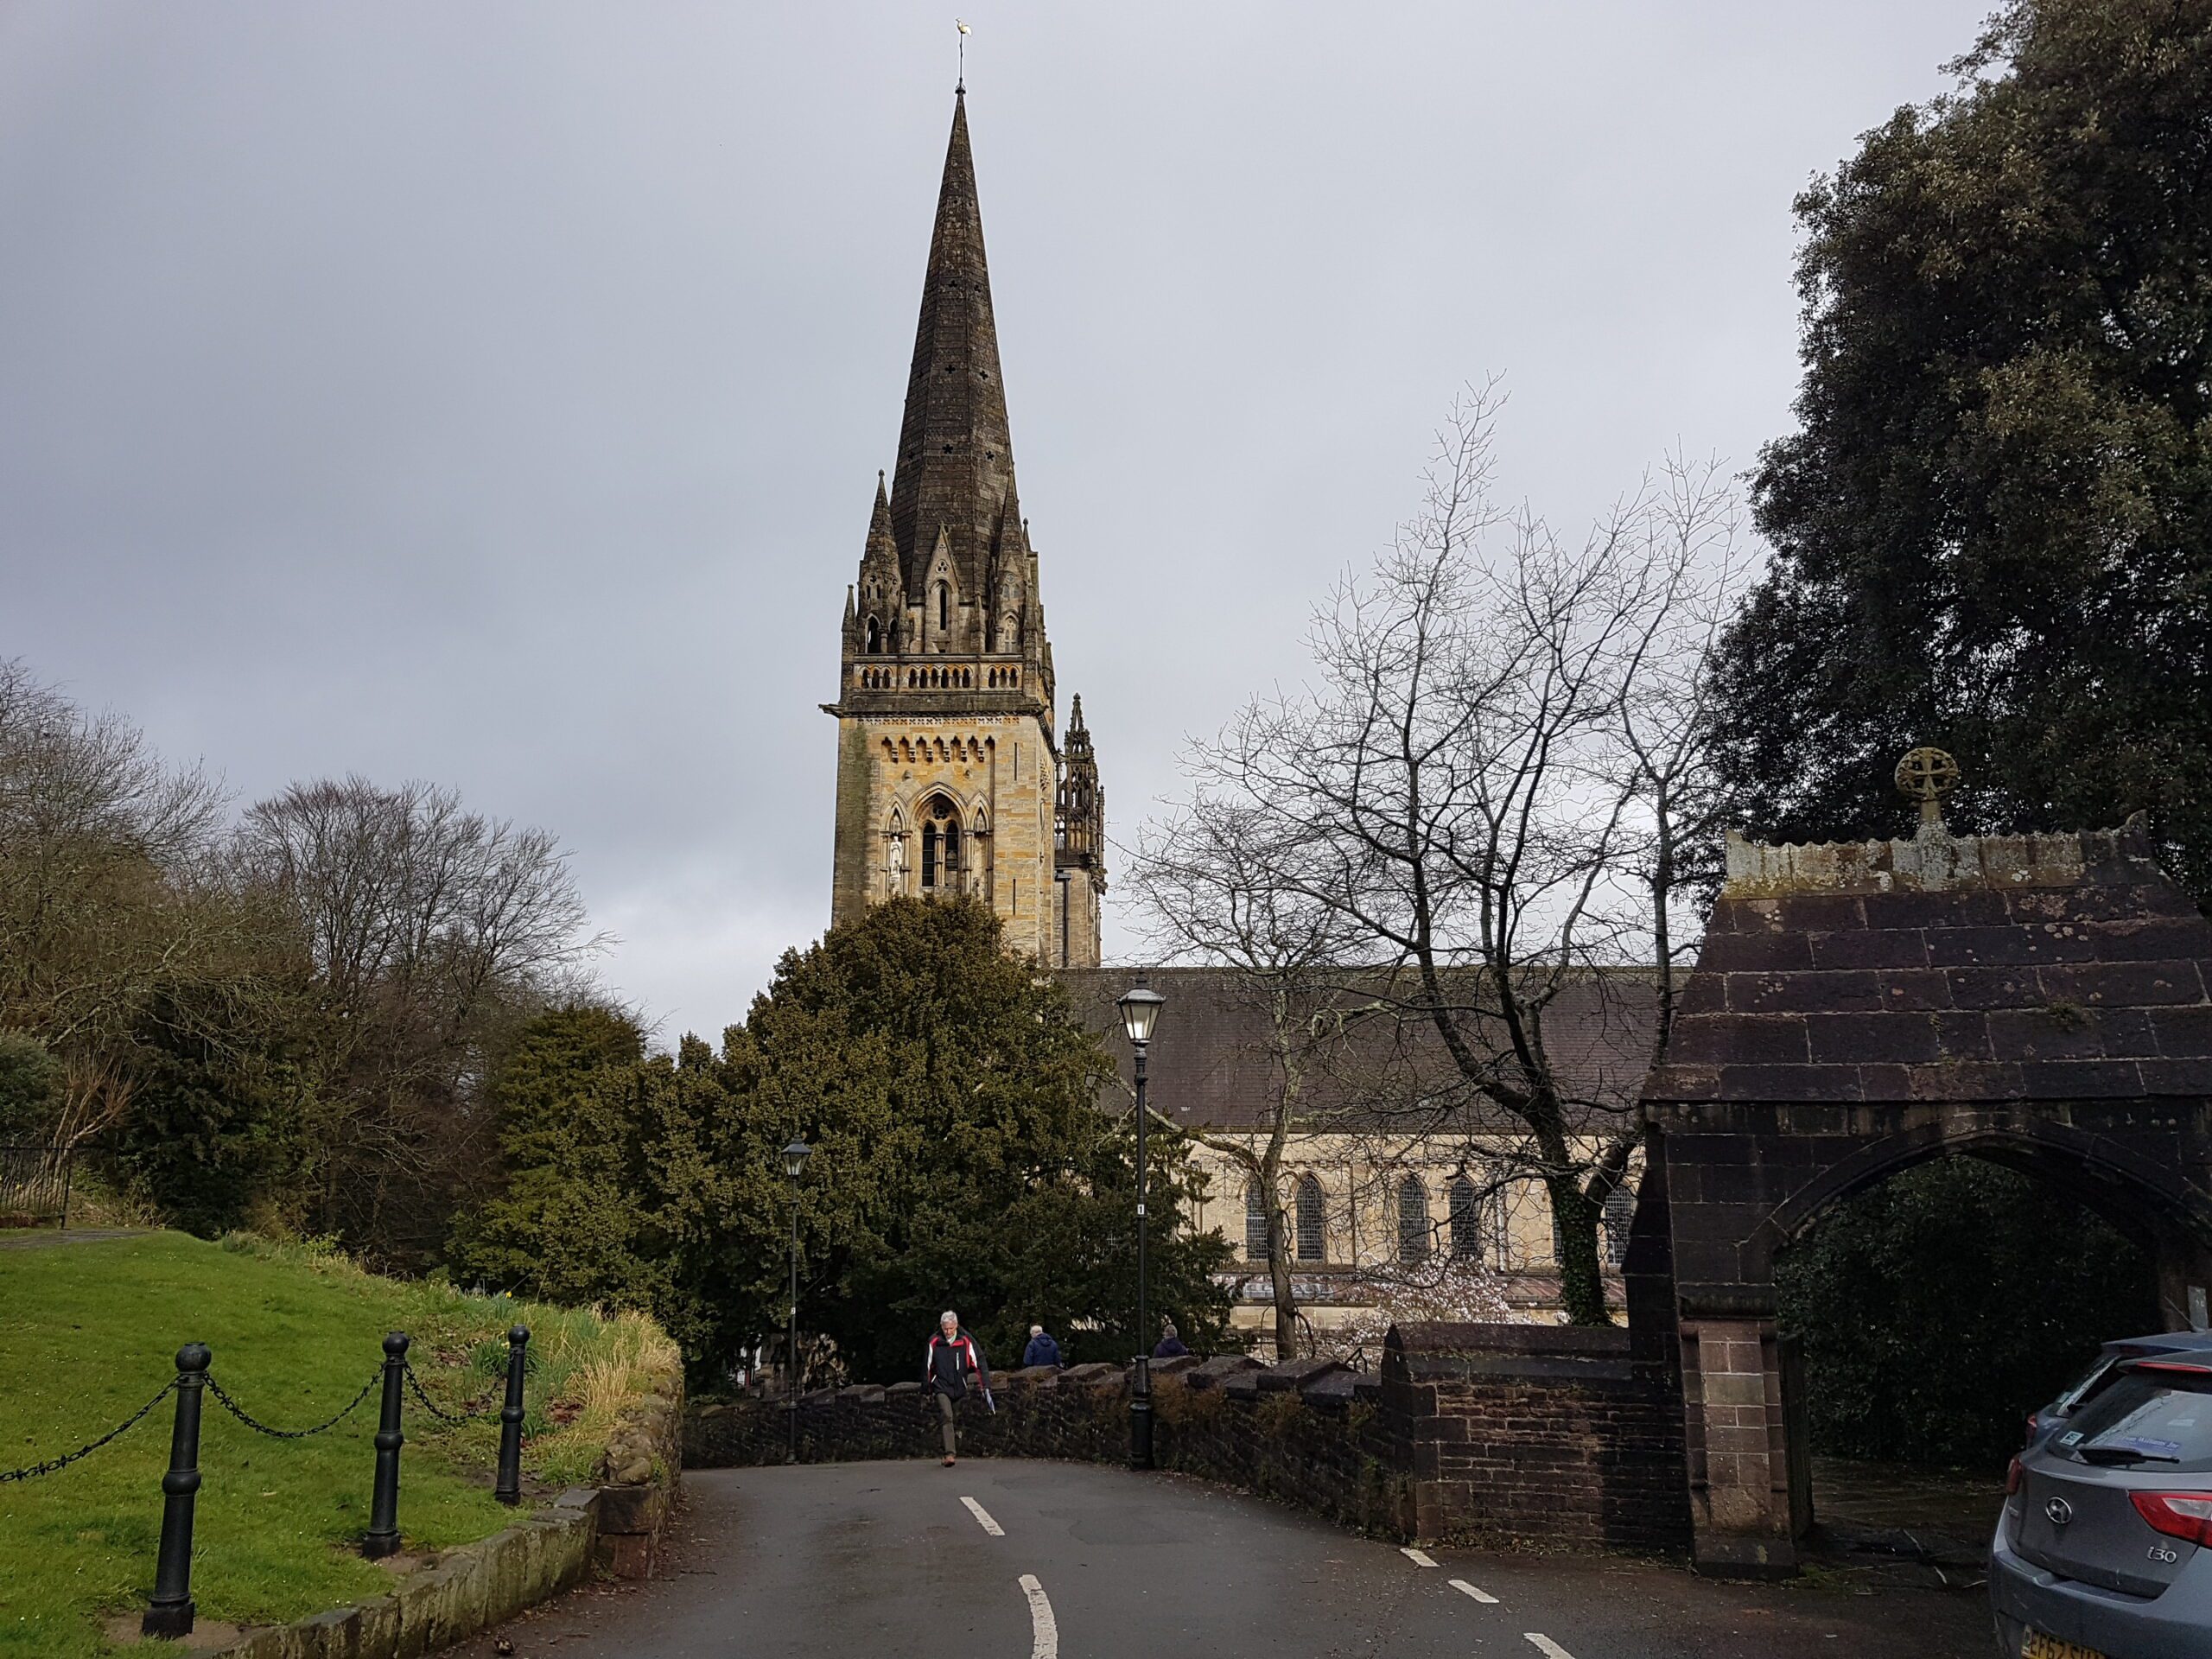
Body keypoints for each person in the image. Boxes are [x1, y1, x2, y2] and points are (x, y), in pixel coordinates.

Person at [925, 1310, 988, 1466]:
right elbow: (927, 1366)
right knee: (947, 1415)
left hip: (959, 1386)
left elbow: (979, 1361)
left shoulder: (965, 1340)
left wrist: (985, 1384)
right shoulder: (934, 1342)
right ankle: (950, 1454)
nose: (948, 1332)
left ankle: (947, 1445)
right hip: (941, 1386)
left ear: (956, 1326)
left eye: (951, 1329)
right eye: (945, 1329)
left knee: (955, 1417)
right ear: (941, 1326)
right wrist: (927, 1388)